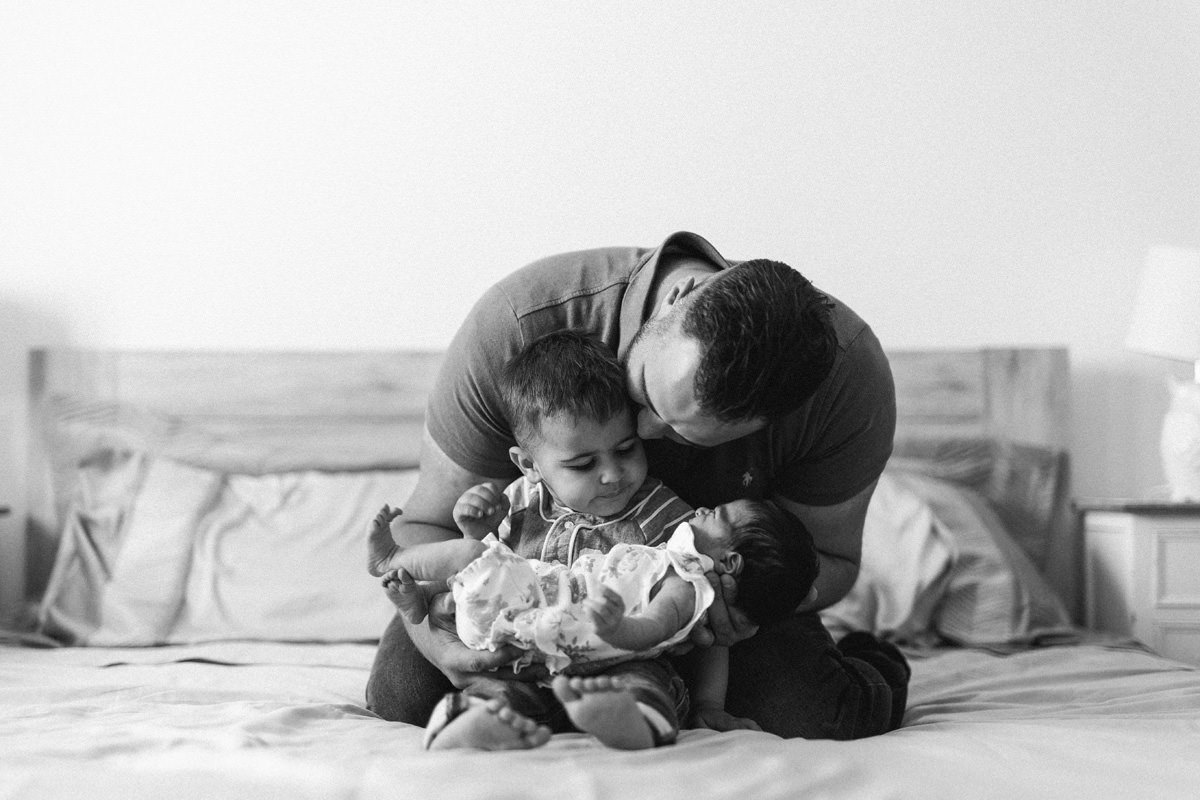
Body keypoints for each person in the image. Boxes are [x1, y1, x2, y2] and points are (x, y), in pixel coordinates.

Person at [366, 231, 909, 742]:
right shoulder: (517, 323)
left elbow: (829, 561)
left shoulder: (846, 382)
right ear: (681, 294)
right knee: (407, 697)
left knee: (813, 715)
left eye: (692, 439)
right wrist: (432, 636)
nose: (645, 438)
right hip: (523, 595)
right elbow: (425, 526)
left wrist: (739, 606)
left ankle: (871, 660)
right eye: (648, 395)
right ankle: (542, 705)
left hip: (696, 614)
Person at [374, 331, 819, 750]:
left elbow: (705, 625)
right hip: (523, 658)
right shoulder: (519, 504)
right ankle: (485, 719)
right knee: (471, 688)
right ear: (529, 464)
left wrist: (709, 707)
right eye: (583, 464)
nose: (612, 474)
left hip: (619, 661)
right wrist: (476, 529)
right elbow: (488, 572)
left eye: (626, 449)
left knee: (647, 678)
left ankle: (632, 718)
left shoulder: (671, 519)